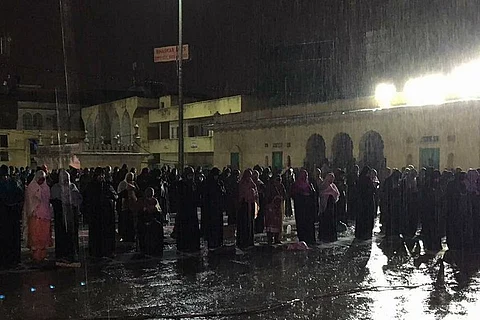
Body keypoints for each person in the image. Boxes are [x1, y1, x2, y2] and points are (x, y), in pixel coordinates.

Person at [50, 169, 83, 264]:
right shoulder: (56, 188)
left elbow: (78, 199)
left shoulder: (72, 187)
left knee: (71, 235)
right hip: (60, 217)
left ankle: (72, 254)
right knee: (61, 235)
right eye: (63, 178)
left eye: (66, 178)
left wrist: (72, 204)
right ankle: (61, 255)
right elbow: (53, 200)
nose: (64, 180)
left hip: (71, 216)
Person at [85, 167, 118, 258]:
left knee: (106, 234)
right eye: (99, 175)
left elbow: (115, 195)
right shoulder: (91, 186)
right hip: (95, 215)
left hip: (105, 215)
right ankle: (96, 252)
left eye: (102, 175)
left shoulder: (107, 185)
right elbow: (86, 199)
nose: (101, 177)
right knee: (96, 235)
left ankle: (106, 251)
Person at [24, 170, 52, 263]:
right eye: (40, 179)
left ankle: (43, 256)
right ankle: (35, 256)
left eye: (43, 179)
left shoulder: (46, 188)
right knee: (35, 236)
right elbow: (29, 201)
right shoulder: (31, 187)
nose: (41, 181)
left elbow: (47, 201)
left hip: (45, 216)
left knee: (44, 236)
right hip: (35, 216)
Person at [0, 165, 24, 268]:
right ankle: (13, 259)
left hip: (5, 215)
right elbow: (20, 196)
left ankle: (7, 259)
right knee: (12, 237)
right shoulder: (14, 183)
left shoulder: (12, 183)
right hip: (12, 215)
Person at [176, 167, 201, 252]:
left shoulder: (193, 184)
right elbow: (180, 196)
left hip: (192, 209)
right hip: (183, 209)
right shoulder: (181, 184)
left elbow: (196, 195)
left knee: (192, 228)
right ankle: (183, 245)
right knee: (183, 228)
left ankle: (193, 245)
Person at [291, 169, 316, 245]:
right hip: (300, 208)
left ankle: (310, 238)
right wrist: (302, 195)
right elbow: (293, 194)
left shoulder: (309, 184)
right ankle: (302, 238)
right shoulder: (296, 184)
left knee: (309, 223)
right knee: (301, 222)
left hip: (308, 208)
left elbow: (313, 194)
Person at [203, 167, 226, 249]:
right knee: (212, 226)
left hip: (218, 208)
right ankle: (212, 242)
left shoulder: (219, 183)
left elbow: (223, 193)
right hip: (211, 209)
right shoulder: (208, 183)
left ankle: (218, 242)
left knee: (218, 225)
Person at [137, 187, 164, 256]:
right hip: (144, 220)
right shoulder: (142, 200)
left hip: (154, 219)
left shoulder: (155, 200)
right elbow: (140, 212)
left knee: (158, 226)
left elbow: (159, 211)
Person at [237, 169, 259, 249]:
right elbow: (241, 194)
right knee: (244, 224)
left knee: (251, 223)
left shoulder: (252, 183)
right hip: (244, 206)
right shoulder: (242, 183)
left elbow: (256, 193)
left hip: (251, 205)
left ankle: (250, 240)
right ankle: (244, 241)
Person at [117, 172, 140, 242]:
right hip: (125, 205)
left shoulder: (134, 183)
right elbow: (120, 194)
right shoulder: (123, 184)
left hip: (133, 204)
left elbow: (138, 192)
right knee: (125, 221)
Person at [264, 174, 286, 245]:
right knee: (270, 224)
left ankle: (277, 239)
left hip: (278, 208)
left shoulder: (281, 186)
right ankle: (270, 239)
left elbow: (284, 195)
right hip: (271, 208)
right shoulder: (270, 187)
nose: (279, 182)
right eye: (277, 180)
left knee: (278, 224)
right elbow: (267, 197)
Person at [355, 166, 376, 240]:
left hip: (361, 202)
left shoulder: (359, 179)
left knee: (361, 217)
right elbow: (372, 190)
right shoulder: (367, 180)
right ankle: (366, 233)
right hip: (368, 202)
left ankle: (360, 233)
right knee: (367, 217)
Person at [318, 173, 340, 242]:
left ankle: (331, 236)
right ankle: (324, 236)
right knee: (325, 220)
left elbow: (337, 194)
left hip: (331, 205)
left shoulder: (333, 185)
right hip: (325, 205)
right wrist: (328, 192)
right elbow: (320, 193)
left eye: (333, 178)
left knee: (331, 220)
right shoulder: (323, 185)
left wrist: (332, 193)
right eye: (330, 178)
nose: (332, 180)